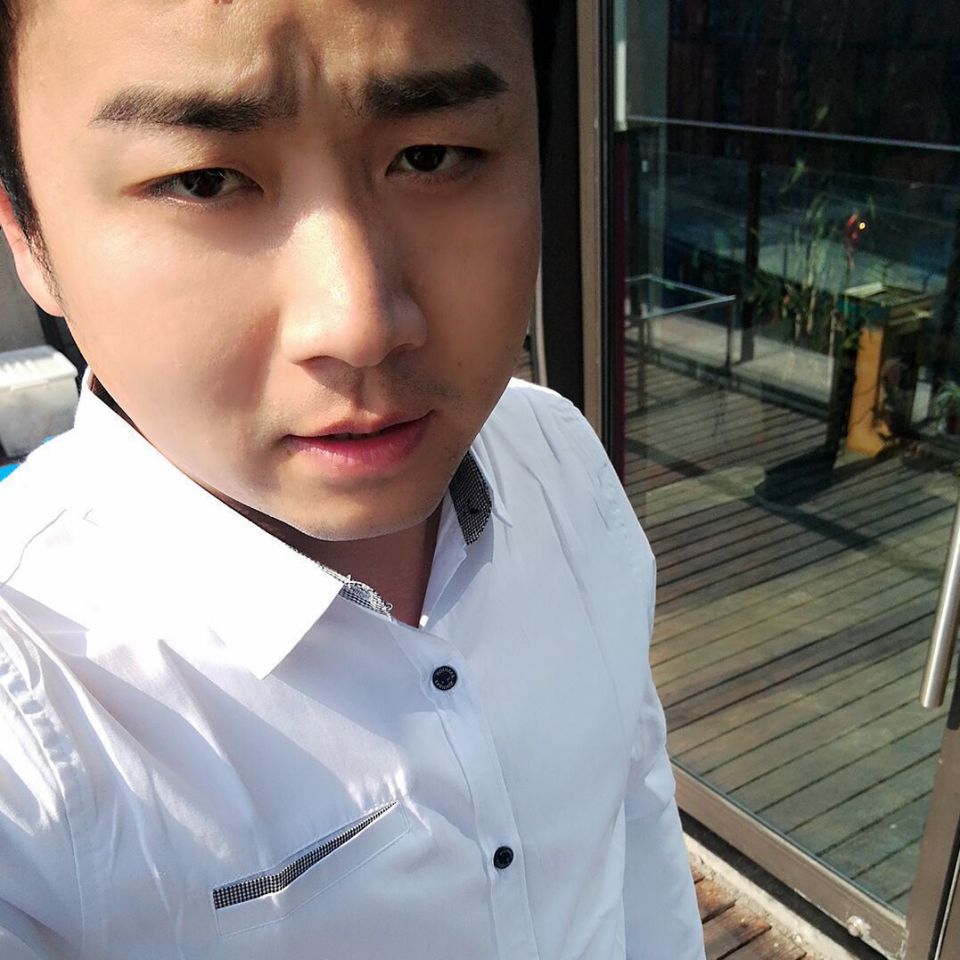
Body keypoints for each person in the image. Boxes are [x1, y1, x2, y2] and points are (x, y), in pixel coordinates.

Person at [0, 0, 705, 957]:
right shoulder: (29, 730)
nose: (361, 321)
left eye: (432, 156)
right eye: (204, 181)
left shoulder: (558, 457)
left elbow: (636, 821)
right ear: (28, 236)